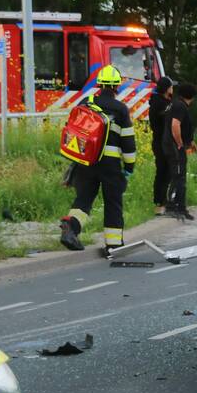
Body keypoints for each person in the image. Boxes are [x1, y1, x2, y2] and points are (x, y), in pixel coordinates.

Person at [59, 65, 137, 255]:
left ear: (99, 84)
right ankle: (113, 244)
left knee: (84, 198)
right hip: (110, 164)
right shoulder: (120, 109)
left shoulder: (87, 102)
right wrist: (129, 166)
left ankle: (71, 226)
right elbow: (128, 142)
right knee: (113, 202)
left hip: (86, 161)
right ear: (117, 86)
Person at [163, 82, 197, 220]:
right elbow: (175, 125)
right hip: (174, 147)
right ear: (191, 96)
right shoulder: (180, 106)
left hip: (171, 145)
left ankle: (179, 206)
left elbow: (183, 127)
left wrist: (191, 141)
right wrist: (180, 144)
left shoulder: (176, 104)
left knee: (178, 175)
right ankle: (175, 207)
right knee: (178, 176)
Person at [149, 76, 174, 215]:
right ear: (166, 89)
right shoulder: (163, 105)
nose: (172, 89)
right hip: (164, 143)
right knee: (166, 172)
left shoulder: (157, 102)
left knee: (162, 172)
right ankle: (162, 202)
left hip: (158, 142)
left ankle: (160, 201)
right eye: (171, 87)